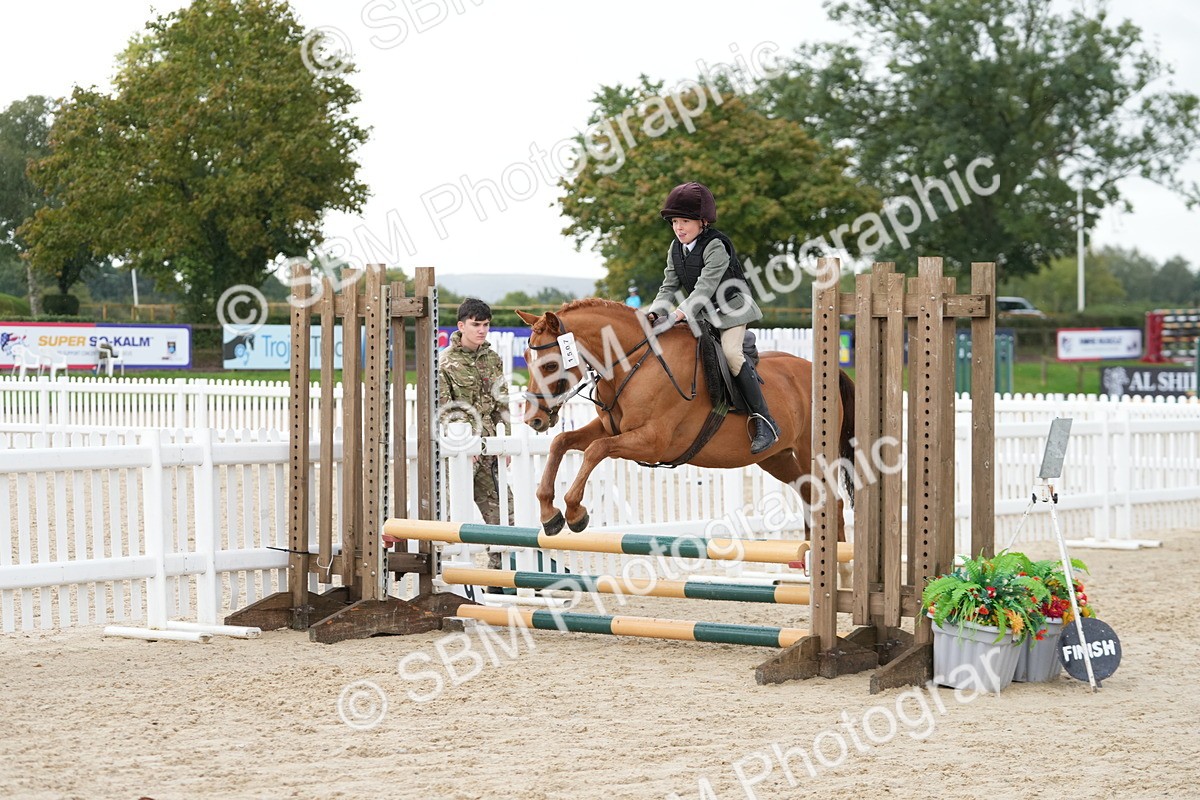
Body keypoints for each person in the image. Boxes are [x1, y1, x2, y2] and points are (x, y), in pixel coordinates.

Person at [644, 181, 779, 454]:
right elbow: (668, 286)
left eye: (685, 222)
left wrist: (679, 313)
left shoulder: (716, 245)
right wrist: (655, 311)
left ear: (703, 222)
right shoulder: (675, 248)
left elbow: (704, 287)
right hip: (703, 313)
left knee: (730, 353)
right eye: (675, 222)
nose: (679, 228)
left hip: (732, 309)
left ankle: (765, 421)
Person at [438, 298, 514, 575]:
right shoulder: (446, 362)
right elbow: (446, 409)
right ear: (461, 326)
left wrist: (505, 443)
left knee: (505, 515)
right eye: (475, 324)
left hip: (490, 449)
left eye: (485, 324)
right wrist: (463, 446)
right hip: (459, 453)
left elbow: (501, 403)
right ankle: (448, 574)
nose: (482, 330)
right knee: (450, 516)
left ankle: (500, 576)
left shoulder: (493, 359)